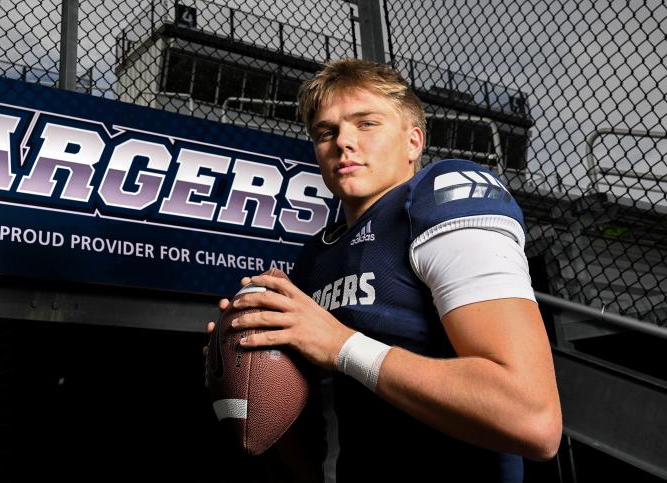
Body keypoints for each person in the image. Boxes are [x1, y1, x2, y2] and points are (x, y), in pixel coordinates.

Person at [207, 59, 562, 482]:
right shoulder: (314, 259)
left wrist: (341, 345)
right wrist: (245, 381)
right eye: (326, 132)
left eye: (367, 123)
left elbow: (532, 417)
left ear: (413, 141)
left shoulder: (438, 196)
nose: (344, 143)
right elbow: (309, 464)